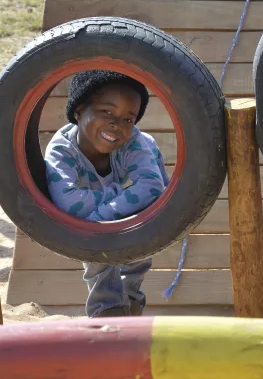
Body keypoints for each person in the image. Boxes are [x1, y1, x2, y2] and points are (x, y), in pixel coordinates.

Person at [44, 70, 169, 318]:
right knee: (97, 245)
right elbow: (71, 205)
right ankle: (107, 308)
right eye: (106, 111)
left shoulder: (135, 142)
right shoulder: (61, 150)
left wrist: (101, 212)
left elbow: (152, 189)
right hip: (103, 218)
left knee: (138, 250)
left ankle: (130, 300)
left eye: (128, 119)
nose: (117, 124)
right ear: (79, 110)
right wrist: (123, 193)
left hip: (140, 214)